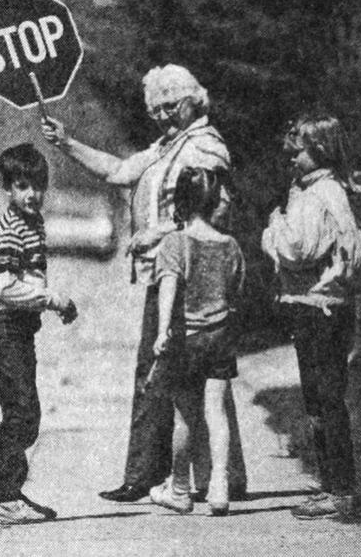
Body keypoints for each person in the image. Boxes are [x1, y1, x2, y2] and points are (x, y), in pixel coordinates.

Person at [41, 64, 247, 503]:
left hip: (189, 273)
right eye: (156, 110)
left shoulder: (206, 147)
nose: (164, 115)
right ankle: (204, 477)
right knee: (191, 376)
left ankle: (161, 478)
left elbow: (216, 206)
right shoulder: (166, 147)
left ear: (195, 99)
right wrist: (66, 142)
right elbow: (118, 171)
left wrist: (163, 230)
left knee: (169, 373)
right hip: (166, 270)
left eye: (171, 106)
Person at [261, 114, 361, 519]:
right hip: (321, 305)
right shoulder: (322, 189)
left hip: (320, 308)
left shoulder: (320, 194)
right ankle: (333, 483)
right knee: (321, 399)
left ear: (320, 151)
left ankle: (340, 488)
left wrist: (272, 227)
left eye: (297, 150)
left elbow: (298, 249)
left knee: (325, 400)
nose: (289, 157)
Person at [0, 144, 77, 524]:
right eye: (21, 186)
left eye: (37, 186)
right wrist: (53, 300)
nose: (31, 194)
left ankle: (6, 492)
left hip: (21, 328)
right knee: (20, 410)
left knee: (26, 412)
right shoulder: (10, 230)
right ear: (8, 188)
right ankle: (3, 496)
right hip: (4, 326)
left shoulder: (33, 224)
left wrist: (48, 304)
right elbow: (5, 288)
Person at [147, 167, 245, 517]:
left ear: (182, 202)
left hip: (187, 339)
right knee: (216, 413)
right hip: (221, 337)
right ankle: (219, 484)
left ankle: (178, 489)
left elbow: (168, 289)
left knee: (185, 417)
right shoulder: (230, 245)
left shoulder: (175, 243)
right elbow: (236, 291)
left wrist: (161, 332)